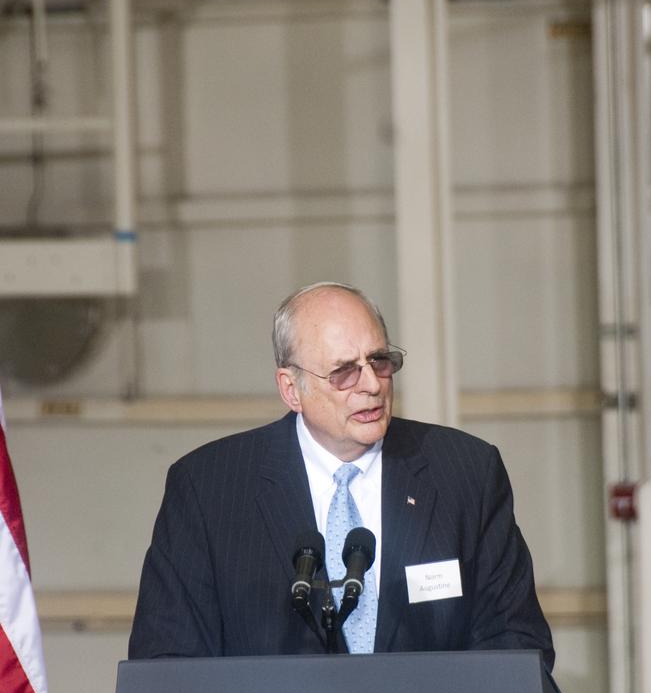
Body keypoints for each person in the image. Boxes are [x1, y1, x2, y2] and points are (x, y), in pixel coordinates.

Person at [129, 282, 554, 669]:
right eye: (344, 371)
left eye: (379, 361)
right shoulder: (209, 488)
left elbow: (515, 640)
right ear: (291, 389)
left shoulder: (465, 473)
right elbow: (168, 660)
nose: (371, 384)